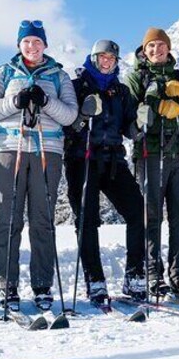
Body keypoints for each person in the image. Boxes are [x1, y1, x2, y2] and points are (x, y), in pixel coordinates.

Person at [0, 20, 78, 309]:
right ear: (18, 45)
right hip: (9, 149)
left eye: (37, 42)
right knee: (8, 219)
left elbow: (70, 115)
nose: (32, 47)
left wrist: (46, 101)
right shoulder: (5, 72)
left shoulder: (59, 76)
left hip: (47, 150)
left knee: (42, 219)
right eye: (26, 42)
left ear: (45, 45)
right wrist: (14, 101)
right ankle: (6, 284)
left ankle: (42, 284)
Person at [124, 27, 179, 298]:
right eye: (151, 46)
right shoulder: (135, 78)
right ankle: (152, 273)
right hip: (150, 153)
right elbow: (128, 116)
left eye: (161, 46)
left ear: (169, 49)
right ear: (144, 50)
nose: (156, 50)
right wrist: (149, 110)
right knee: (151, 217)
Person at [63, 39, 146, 304]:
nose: (107, 62)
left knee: (137, 210)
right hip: (81, 159)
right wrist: (82, 117)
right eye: (103, 57)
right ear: (93, 58)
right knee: (87, 220)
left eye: (112, 58)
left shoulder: (121, 92)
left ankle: (134, 275)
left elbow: (128, 130)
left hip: (113, 161)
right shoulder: (76, 87)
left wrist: (140, 123)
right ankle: (95, 280)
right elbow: (66, 125)